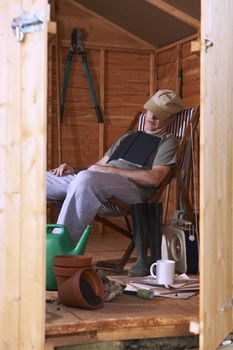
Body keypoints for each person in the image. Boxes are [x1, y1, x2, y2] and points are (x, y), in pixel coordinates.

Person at [46, 89, 184, 276]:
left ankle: (58, 253)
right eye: (151, 111)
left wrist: (109, 170)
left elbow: (154, 179)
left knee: (86, 179)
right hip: (98, 182)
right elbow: (97, 167)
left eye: (159, 115)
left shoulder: (168, 141)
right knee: (36, 179)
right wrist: (74, 169)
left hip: (133, 190)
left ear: (171, 119)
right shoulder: (128, 137)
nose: (152, 117)